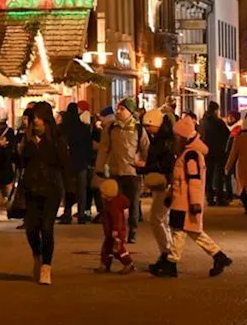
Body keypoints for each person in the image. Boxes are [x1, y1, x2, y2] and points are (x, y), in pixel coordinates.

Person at [152, 117, 233, 278]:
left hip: (185, 203)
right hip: (182, 201)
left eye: (177, 137)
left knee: (180, 232)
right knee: (192, 232)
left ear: (183, 137)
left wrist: (195, 203)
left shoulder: (190, 156)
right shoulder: (189, 154)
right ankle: (219, 257)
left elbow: (194, 182)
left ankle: (172, 262)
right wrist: (170, 196)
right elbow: (180, 181)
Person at [18, 103, 70, 285]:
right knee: (31, 228)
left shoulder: (57, 138)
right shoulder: (27, 139)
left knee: (47, 227)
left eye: (39, 118)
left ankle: (46, 267)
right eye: (34, 118)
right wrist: (26, 144)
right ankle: (37, 256)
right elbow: (21, 162)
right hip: (31, 187)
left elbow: (64, 163)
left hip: (51, 188)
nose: (36, 122)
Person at [95, 98, 149, 243]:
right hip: (116, 172)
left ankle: (133, 231)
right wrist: (100, 167)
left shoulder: (138, 129)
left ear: (130, 112)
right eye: (118, 108)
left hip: (133, 173)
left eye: (122, 109)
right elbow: (104, 148)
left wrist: (145, 164)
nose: (118, 111)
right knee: (115, 205)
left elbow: (146, 148)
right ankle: (117, 231)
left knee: (133, 204)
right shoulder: (112, 128)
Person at [142, 108, 177, 273]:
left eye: (149, 126)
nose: (147, 130)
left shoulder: (164, 141)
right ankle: (168, 254)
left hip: (165, 183)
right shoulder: (162, 139)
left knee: (156, 218)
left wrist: (145, 167)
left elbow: (165, 164)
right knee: (163, 219)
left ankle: (166, 254)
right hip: (163, 182)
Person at [60, 102, 95, 225]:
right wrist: (89, 161)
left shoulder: (62, 128)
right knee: (82, 190)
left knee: (67, 188)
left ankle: (67, 213)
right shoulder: (83, 127)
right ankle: (81, 214)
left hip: (67, 162)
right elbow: (88, 146)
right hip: (81, 162)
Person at [94, 179, 135, 275]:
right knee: (107, 248)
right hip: (111, 232)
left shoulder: (113, 205)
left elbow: (117, 219)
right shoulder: (111, 203)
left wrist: (115, 230)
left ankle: (128, 262)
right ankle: (105, 264)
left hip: (116, 231)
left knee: (118, 249)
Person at [201, 102, 231, 206]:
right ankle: (219, 197)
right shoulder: (218, 122)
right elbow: (227, 135)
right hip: (218, 152)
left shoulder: (203, 122)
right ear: (215, 110)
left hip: (206, 151)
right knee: (219, 175)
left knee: (208, 175)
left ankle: (209, 197)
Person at [0, 120, 17, 222]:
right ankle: (8, 209)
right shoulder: (9, 131)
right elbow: (13, 147)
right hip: (7, 162)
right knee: (7, 189)